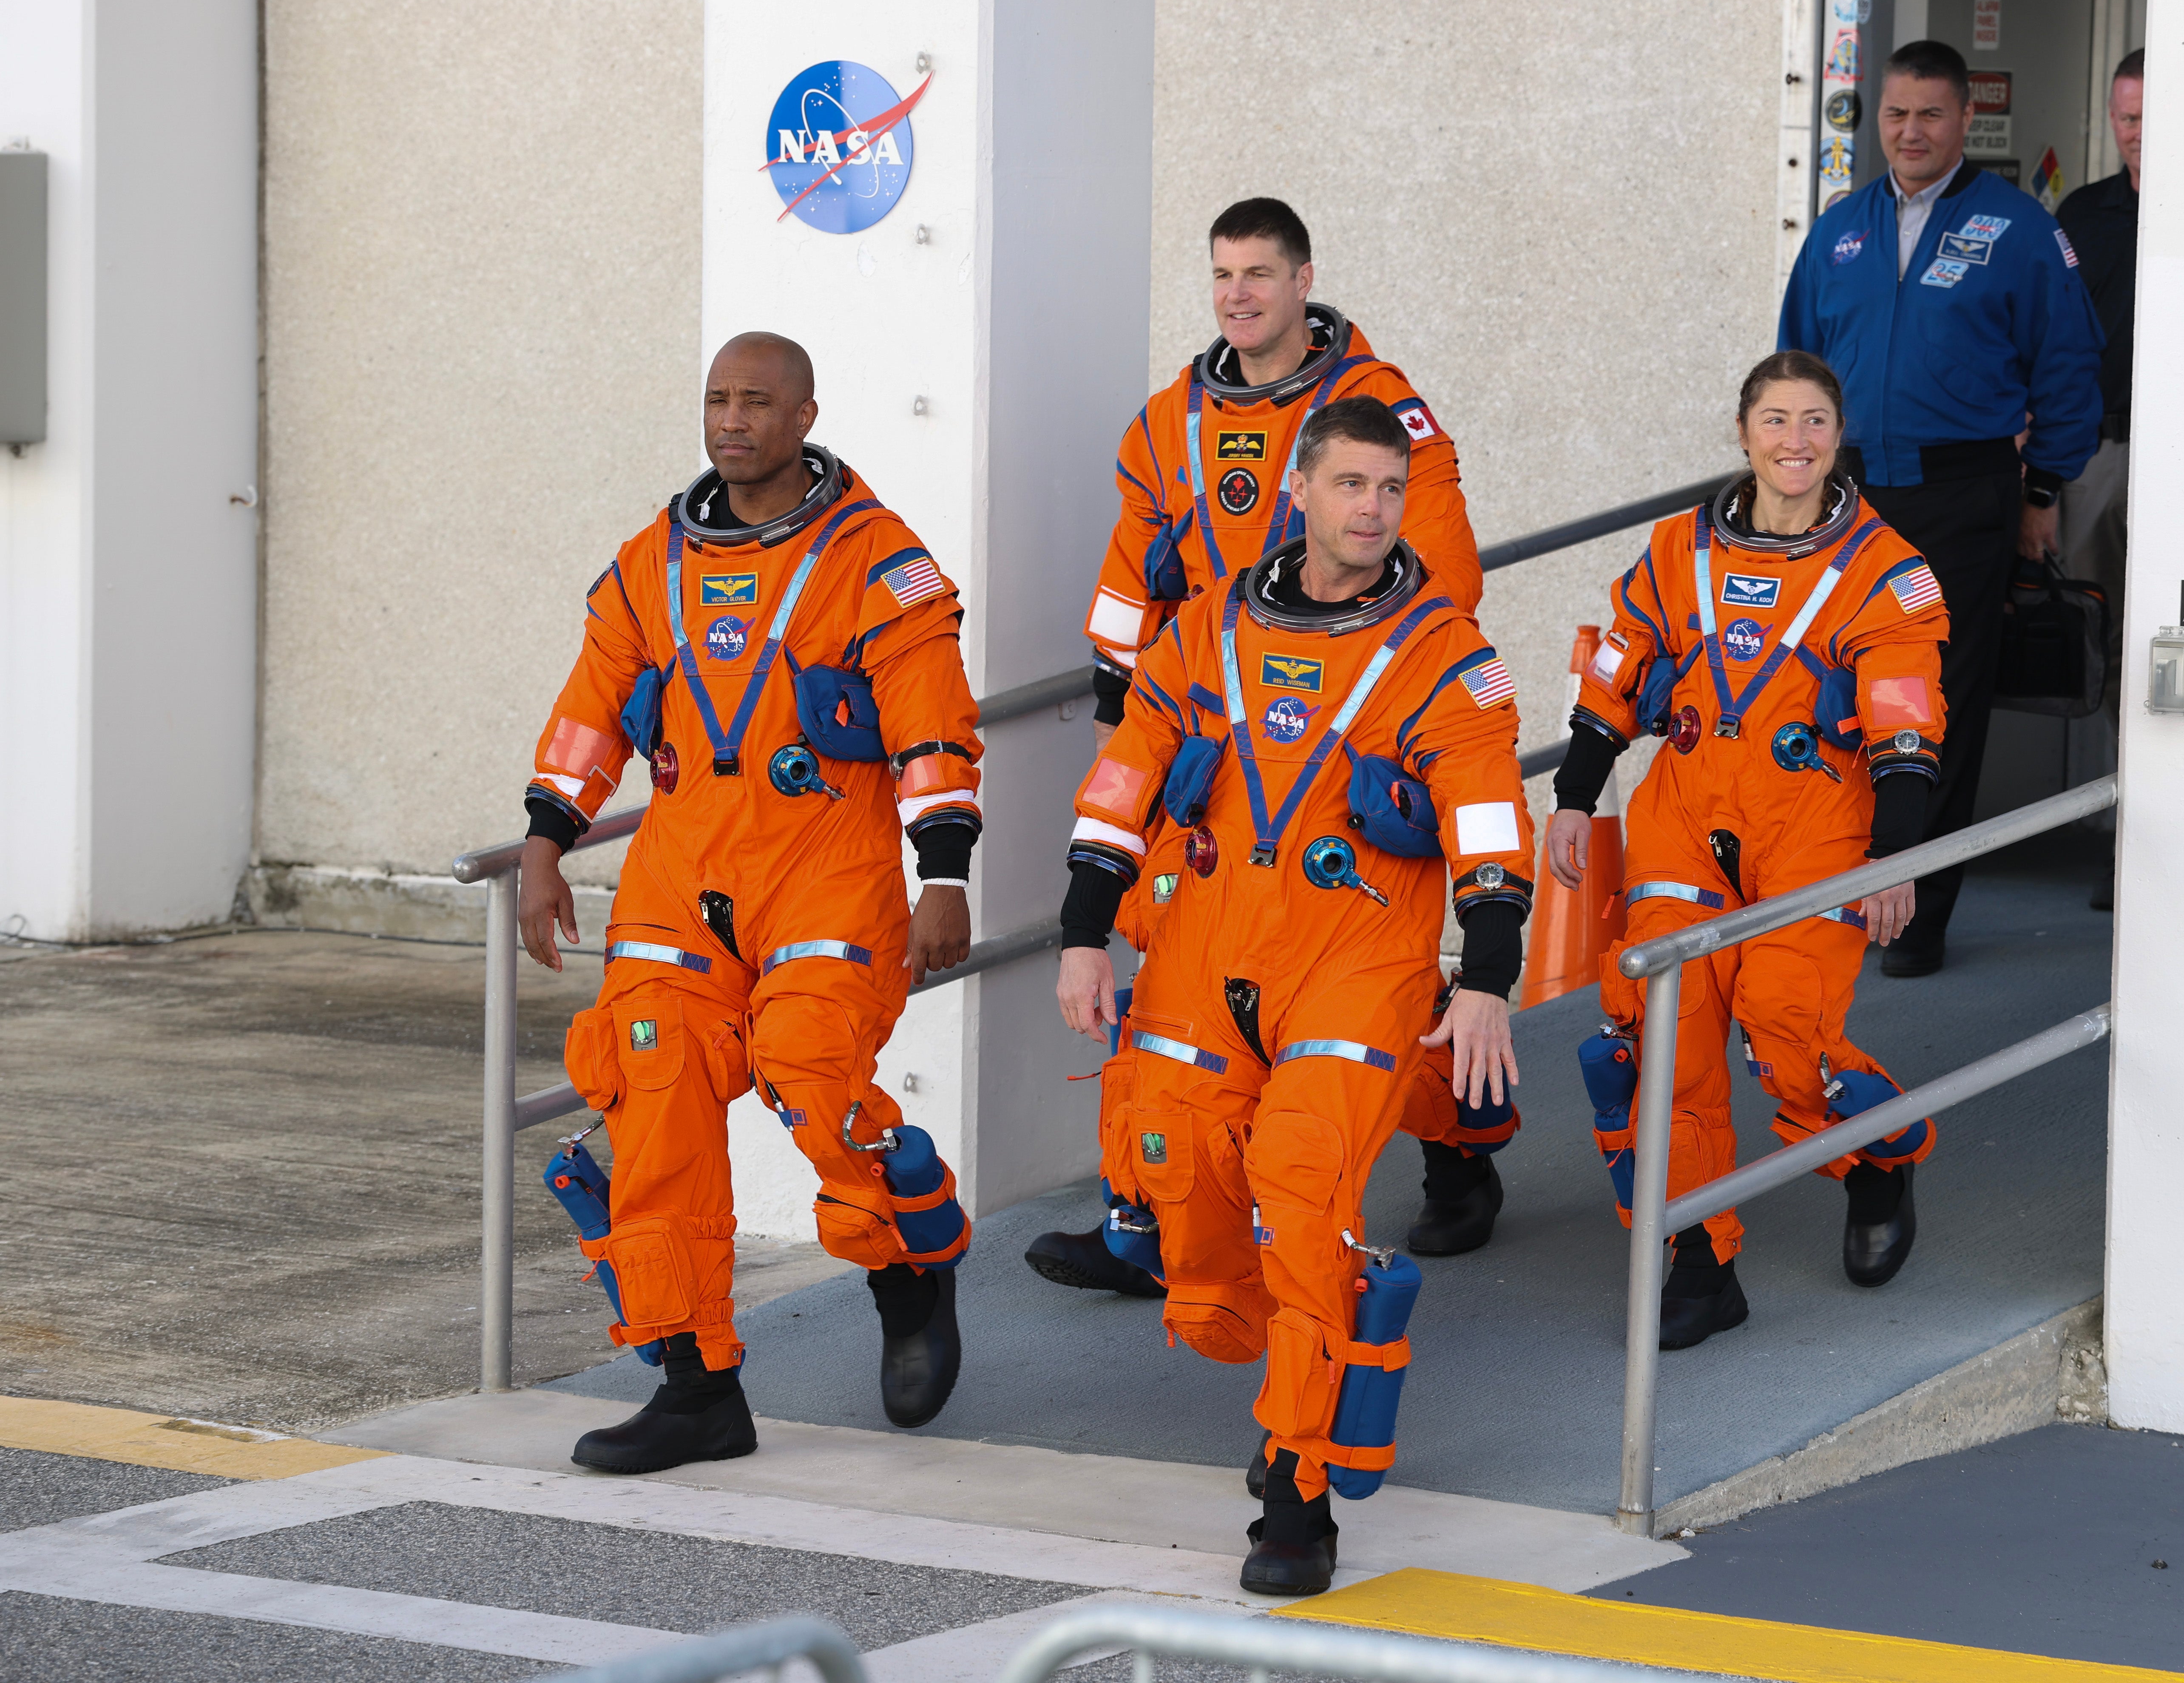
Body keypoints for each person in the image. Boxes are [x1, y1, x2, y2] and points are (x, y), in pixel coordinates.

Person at [1054, 395, 1533, 1594]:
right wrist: (1081, 933)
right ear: (1303, 493)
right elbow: (1125, 780)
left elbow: (1486, 820)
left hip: (1357, 963)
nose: (1373, 509)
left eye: (1391, 490)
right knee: (1190, 1221)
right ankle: (1327, 1329)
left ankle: (1297, 1481)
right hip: (1208, 956)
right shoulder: (1208, 630)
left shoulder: (1447, 654)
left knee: (1302, 1191)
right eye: (1353, 485)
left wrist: (1486, 979)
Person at [517, 332, 983, 1473]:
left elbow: (932, 724)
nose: (732, 420)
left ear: (805, 413)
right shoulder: (650, 564)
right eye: (718, 399)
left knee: (811, 1064)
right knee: (651, 1094)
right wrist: (543, 840)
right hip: (682, 882)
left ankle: (909, 1268)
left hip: (827, 871)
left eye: (758, 402)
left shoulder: (878, 561)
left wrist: (948, 875)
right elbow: (590, 714)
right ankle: (698, 1386)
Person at [1029, 197, 1510, 1300]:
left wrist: (1374, 698)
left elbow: (1447, 574)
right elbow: (1124, 581)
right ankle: (1140, 1208)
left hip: (1344, 732)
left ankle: (1461, 1135)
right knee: (1158, 967)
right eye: (1223, 276)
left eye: (1259, 274)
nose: (1239, 295)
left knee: (1354, 994)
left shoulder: (1381, 413)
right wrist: (1128, 725)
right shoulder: (1166, 423)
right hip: (1205, 730)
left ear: (1303, 282)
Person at [1547, 352, 1947, 1349]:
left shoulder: (1883, 569)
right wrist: (1572, 797)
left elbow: (1905, 716)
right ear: (1743, 432)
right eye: (1776, 419)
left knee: (1787, 1020)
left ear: (1838, 435)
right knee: (1661, 1031)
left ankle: (1876, 1158)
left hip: (1816, 823)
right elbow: (1617, 671)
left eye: (1815, 421)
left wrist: (1894, 856)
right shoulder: (1678, 549)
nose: (1795, 441)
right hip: (1685, 815)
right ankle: (1699, 1255)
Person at [1777, 39, 2105, 976]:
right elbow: (1796, 363)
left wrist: (2042, 488)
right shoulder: (1840, 230)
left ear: (1964, 120)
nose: (1909, 132)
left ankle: (1916, 909)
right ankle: (1831, 884)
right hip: (1846, 497)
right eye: (1894, 114)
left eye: (1928, 114)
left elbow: (2069, 370)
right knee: (1828, 688)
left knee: (1933, 702)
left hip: (1962, 495)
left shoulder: (2019, 229)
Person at [2054, 48, 2142, 912]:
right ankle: (2128, 838)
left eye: (2152, 118)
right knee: (2107, 648)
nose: (2137, 135)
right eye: (2126, 118)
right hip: (2098, 455)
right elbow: (2043, 336)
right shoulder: (2082, 213)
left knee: (2178, 649)